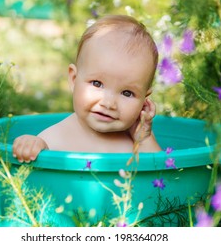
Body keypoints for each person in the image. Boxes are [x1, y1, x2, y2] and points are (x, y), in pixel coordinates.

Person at [13, 15, 161, 163]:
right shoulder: (57, 136)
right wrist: (33, 145)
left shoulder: (138, 142)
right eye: (97, 84)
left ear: (144, 101)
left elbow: (162, 175)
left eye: (127, 93)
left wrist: (144, 139)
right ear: (74, 79)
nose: (108, 103)